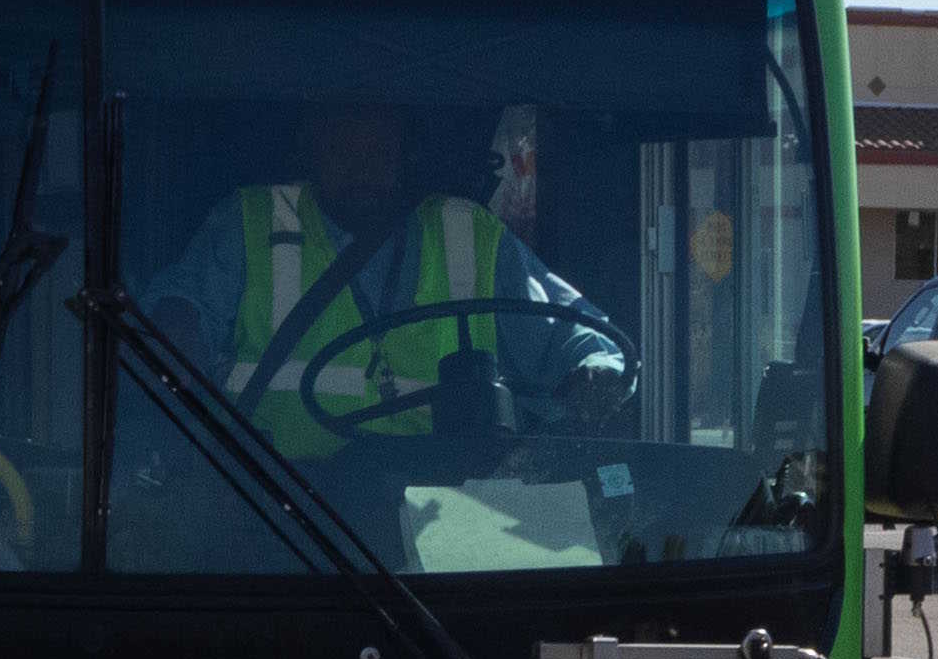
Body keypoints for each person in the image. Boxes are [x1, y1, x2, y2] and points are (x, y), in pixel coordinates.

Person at [153, 104, 631, 456]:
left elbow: (576, 338)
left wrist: (595, 372)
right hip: (283, 521)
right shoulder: (250, 222)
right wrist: (176, 336)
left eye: (377, 150)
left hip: (447, 528)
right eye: (341, 149)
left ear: (405, 155)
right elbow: (176, 318)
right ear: (310, 149)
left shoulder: (468, 232)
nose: (360, 167)